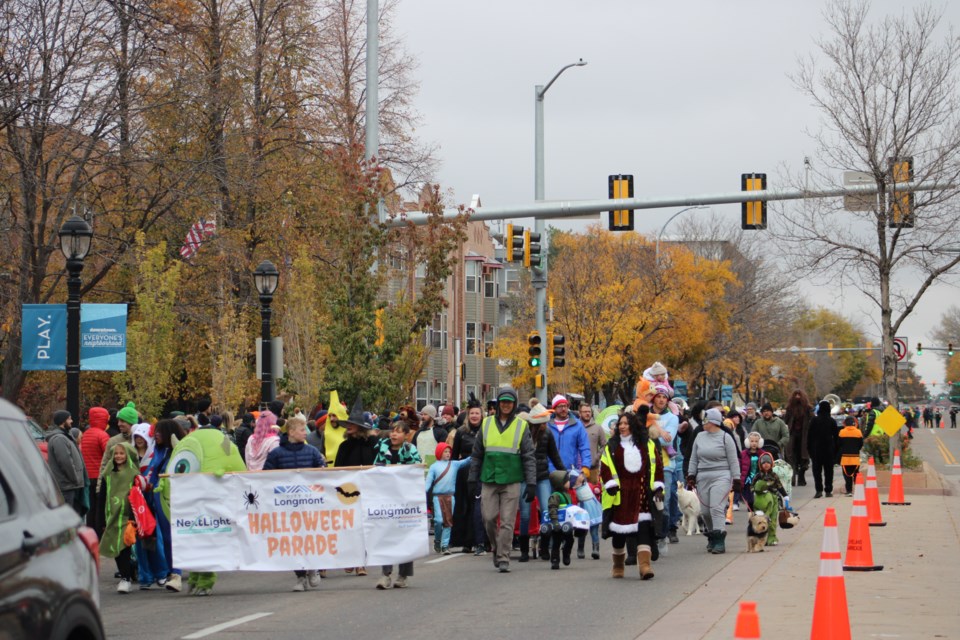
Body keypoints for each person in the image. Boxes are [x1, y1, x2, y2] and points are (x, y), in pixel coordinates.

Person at [468, 385, 537, 573]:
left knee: (507, 521)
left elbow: (528, 456)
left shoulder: (521, 426)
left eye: (510, 402)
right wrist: (472, 478)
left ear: (514, 404)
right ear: (498, 404)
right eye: (503, 402)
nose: (506, 405)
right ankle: (496, 547)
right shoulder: (486, 423)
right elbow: (477, 454)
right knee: (488, 518)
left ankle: (504, 556)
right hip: (489, 478)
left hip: (512, 479)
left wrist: (531, 483)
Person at [262, 415, 326, 591]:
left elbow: (323, 473)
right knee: (292, 541)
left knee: (310, 537)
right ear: (291, 432)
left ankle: (313, 568)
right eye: (301, 429)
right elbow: (266, 477)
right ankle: (300, 577)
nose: (304, 433)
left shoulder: (311, 451)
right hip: (287, 507)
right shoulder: (276, 454)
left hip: (309, 505)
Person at [599, 407, 664, 580]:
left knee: (643, 529)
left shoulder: (647, 444)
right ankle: (618, 565)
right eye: (620, 423)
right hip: (620, 494)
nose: (622, 426)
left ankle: (644, 566)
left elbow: (657, 465)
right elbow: (605, 467)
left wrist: (658, 487)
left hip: (642, 492)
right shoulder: (612, 445)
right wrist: (610, 483)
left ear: (633, 425)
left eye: (626, 423)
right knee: (619, 533)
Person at [687, 407, 741, 554]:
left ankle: (719, 539)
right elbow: (694, 458)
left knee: (716, 507)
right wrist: (691, 475)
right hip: (703, 477)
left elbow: (733, 460)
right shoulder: (699, 437)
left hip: (722, 475)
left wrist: (736, 479)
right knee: (705, 511)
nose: (702, 422)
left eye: (705, 419)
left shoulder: (725, 437)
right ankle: (712, 534)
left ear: (713, 421)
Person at [375, 421, 422, 589]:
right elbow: (375, 470)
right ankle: (385, 575)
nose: (394, 435)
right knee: (386, 535)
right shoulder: (381, 449)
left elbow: (417, 469)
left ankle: (402, 575)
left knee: (405, 536)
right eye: (392, 431)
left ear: (406, 435)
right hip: (386, 499)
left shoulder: (411, 450)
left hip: (405, 499)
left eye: (398, 432)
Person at [516, 405, 564, 562]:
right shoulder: (523, 432)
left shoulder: (548, 433)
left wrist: (565, 474)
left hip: (542, 476)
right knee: (524, 514)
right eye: (543, 422)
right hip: (524, 477)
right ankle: (524, 549)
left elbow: (554, 456)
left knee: (546, 511)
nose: (546, 425)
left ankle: (544, 547)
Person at [145, 419, 186, 592]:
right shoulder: (158, 450)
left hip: (169, 499)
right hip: (153, 498)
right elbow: (151, 472)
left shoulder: (178, 452)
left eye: (160, 431)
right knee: (154, 539)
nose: (156, 434)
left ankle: (176, 573)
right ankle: (166, 572)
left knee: (171, 537)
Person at [100, 442, 140, 593]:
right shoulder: (107, 474)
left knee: (124, 546)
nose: (118, 456)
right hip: (111, 515)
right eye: (116, 453)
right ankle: (128, 572)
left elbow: (137, 497)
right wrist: (101, 520)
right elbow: (101, 497)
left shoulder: (133, 474)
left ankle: (125, 578)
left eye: (121, 453)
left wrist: (133, 517)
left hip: (127, 516)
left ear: (128, 455)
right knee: (115, 547)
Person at [450, 403, 486, 555]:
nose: (474, 416)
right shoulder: (461, 432)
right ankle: (466, 541)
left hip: (482, 472)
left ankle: (482, 540)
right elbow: (454, 456)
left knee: (480, 507)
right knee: (464, 507)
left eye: (477, 413)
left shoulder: (486, 431)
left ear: (481, 415)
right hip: (464, 473)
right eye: (472, 413)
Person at [425, 442, 471, 555]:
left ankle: (445, 545)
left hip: (450, 497)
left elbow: (466, 461)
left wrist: (476, 452)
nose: (448, 454)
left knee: (448, 522)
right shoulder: (434, 466)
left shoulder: (454, 464)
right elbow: (428, 482)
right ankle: (437, 539)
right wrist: (422, 493)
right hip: (437, 496)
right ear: (439, 453)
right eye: (445, 451)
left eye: (449, 452)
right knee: (438, 520)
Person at [650, 385, 680, 543]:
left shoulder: (672, 418)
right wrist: (660, 433)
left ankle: (665, 530)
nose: (661, 399)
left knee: (664, 499)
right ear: (653, 397)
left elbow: (665, 439)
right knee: (649, 500)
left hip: (665, 464)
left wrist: (651, 434)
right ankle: (653, 531)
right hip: (646, 463)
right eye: (659, 396)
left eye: (664, 397)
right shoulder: (645, 414)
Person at [46, 409, 87, 516]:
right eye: (69, 419)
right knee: (67, 517)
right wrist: (75, 479)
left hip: (70, 485)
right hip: (66, 486)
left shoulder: (66, 437)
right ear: (62, 421)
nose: (72, 421)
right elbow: (65, 462)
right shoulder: (59, 439)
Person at [80, 406, 110, 530]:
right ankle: (99, 533)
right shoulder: (103, 435)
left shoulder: (86, 434)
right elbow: (109, 455)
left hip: (87, 476)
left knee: (91, 508)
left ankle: (90, 529)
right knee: (100, 507)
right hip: (99, 476)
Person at [546, 395, 591, 477]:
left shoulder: (577, 425)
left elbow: (585, 448)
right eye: (560, 406)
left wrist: (586, 466)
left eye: (565, 406)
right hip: (550, 472)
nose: (563, 409)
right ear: (554, 408)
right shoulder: (547, 425)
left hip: (571, 472)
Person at [752, 452, 787, 546]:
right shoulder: (758, 476)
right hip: (761, 500)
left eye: (768, 462)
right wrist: (754, 492)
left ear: (771, 463)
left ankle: (771, 537)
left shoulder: (774, 475)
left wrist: (785, 495)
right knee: (762, 520)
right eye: (763, 463)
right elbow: (752, 486)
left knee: (773, 519)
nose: (766, 464)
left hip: (774, 500)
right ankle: (761, 538)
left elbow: (779, 486)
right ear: (760, 464)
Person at [545, 470, 576, 570]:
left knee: (570, 540)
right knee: (556, 542)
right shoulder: (556, 496)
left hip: (567, 524)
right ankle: (555, 560)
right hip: (558, 524)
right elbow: (552, 508)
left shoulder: (567, 494)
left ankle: (566, 553)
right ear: (560, 483)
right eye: (567, 481)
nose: (569, 482)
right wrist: (555, 522)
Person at [807, 400, 838, 498]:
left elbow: (809, 436)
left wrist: (809, 450)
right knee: (829, 471)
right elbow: (836, 437)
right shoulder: (832, 421)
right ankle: (828, 490)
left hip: (816, 450)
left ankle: (819, 490)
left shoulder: (814, 420)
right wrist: (836, 450)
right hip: (829, 449)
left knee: (817, 471)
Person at [783, 390, 813, 486]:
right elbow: (785, 421)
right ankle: (792, 479)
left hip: (804, 436)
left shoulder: (808, 409)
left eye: (799, 395)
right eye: (795, 394)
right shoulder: (790, 408)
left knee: (804, 457)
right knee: (791, 456)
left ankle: (801, 477)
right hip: (792, 435)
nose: (797, 397)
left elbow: (812, 420)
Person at [412, 404, 448, 469]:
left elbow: (444, 451)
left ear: (432, 417)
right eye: (421, 414)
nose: (422, 417)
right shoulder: (418, 432)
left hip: (435, 467)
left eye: (425, 414)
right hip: (419, 468)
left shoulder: (441, 432)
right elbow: (413, 449)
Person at [837, 415, 864, 496]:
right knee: (856, 474)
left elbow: (839, 444)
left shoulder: (842, 432)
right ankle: (858, 490)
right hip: (855, 457)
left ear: (845, 424)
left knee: (847, 475)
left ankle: (849, 491)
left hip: (845, 458)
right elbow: (860, 444)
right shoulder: (858, 432)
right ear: (854, 423)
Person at [740, 432, 764, 510]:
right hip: (748, 482)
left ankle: (758, 517)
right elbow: (739, 466)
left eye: (756, 441)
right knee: (750, 501)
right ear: (748, 442)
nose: (754, 443)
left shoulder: (762, 454)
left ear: (760, 443)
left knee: (758, 501)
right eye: (752, 441)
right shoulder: (743, 454)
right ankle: (751, 518)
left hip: (759, 481)